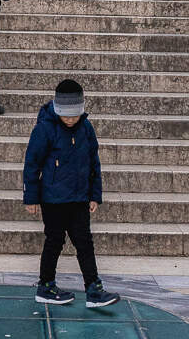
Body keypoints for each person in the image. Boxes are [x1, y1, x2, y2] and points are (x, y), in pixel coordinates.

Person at [22, 77, 119, 310]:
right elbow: (32, 164)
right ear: (57, 110)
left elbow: (93, 161)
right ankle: (45, 285)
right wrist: (31, 198)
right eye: (66, 116)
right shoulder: (45, 128)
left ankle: (93, 288)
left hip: (79, 197)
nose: (70, 120)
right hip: (53, 199)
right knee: (54, 240)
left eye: (74, 115)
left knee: (84, 241)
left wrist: (95, 194)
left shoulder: (86, 128)